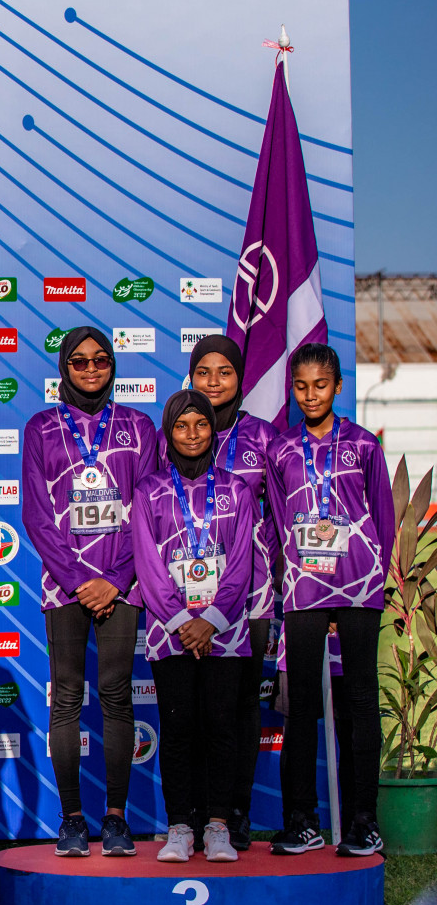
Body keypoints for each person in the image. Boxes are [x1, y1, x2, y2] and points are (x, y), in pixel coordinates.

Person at [22, 326, 156, 857]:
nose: (92, 369)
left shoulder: (140, 427)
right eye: (80, 362)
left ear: (113, 366)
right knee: (67, 700)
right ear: (64, 368)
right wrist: (80, 581)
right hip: (66, 586)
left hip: (124, 583)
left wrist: (116, 580)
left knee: (119, 697)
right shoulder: (41, 427)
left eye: (101, 360)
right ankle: (73, 819)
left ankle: (118, 819)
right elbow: (35, 512)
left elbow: (149, 510)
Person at [265, 343, 393, 857]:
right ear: (293, 389)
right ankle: (301, 821)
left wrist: (374, 580)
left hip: (359, 585)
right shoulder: (281, 450)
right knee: (301, 708)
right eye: (301, 386)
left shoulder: (363, 445)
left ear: (338, 386)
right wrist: (283, 578)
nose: (311, 395)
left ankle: (364, 820)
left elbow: (382, 519)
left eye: (321, 385)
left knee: (360, 700)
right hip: (303, 588)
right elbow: (277, 518)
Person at [132, 390, 259, 863]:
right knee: (179, 727)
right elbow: (148, 565)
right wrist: (186, 621)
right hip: (171, 632)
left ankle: (219, 826)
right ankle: (181, 827)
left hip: (227, 631)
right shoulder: (149, 492)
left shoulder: (237, 490)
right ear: (169, 433)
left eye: (201, 425)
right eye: (182, 426)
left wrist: (211, 622)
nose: (191, 434)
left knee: (222, 726)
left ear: (212, 431)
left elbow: (242, 565)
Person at [188, 335, 278, 850]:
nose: (214, 382)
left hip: (253, 589)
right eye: (204, 371)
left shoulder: (264, 438)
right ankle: (198, 812)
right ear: (192, 378)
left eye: (225, 372)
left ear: (240, 380)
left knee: (242, 704)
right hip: (189, 589)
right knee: (195, 704)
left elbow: (284, 515)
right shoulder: (177, 432)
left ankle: (235, 811)